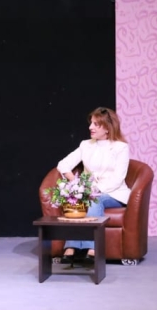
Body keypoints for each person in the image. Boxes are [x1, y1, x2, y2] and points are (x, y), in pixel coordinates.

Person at [55, 107, 130, 264]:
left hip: (114, 193)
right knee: (80, 200)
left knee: (94, 200)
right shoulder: (85, 145)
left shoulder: (121, 147)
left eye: (96, 124)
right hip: (89, 191)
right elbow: (63, 164)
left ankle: (89, 247)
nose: (90, 127)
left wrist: (92, 191)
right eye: (91, 123)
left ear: (107, 128)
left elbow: (117, 179)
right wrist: (75, 183)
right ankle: (76, 247)